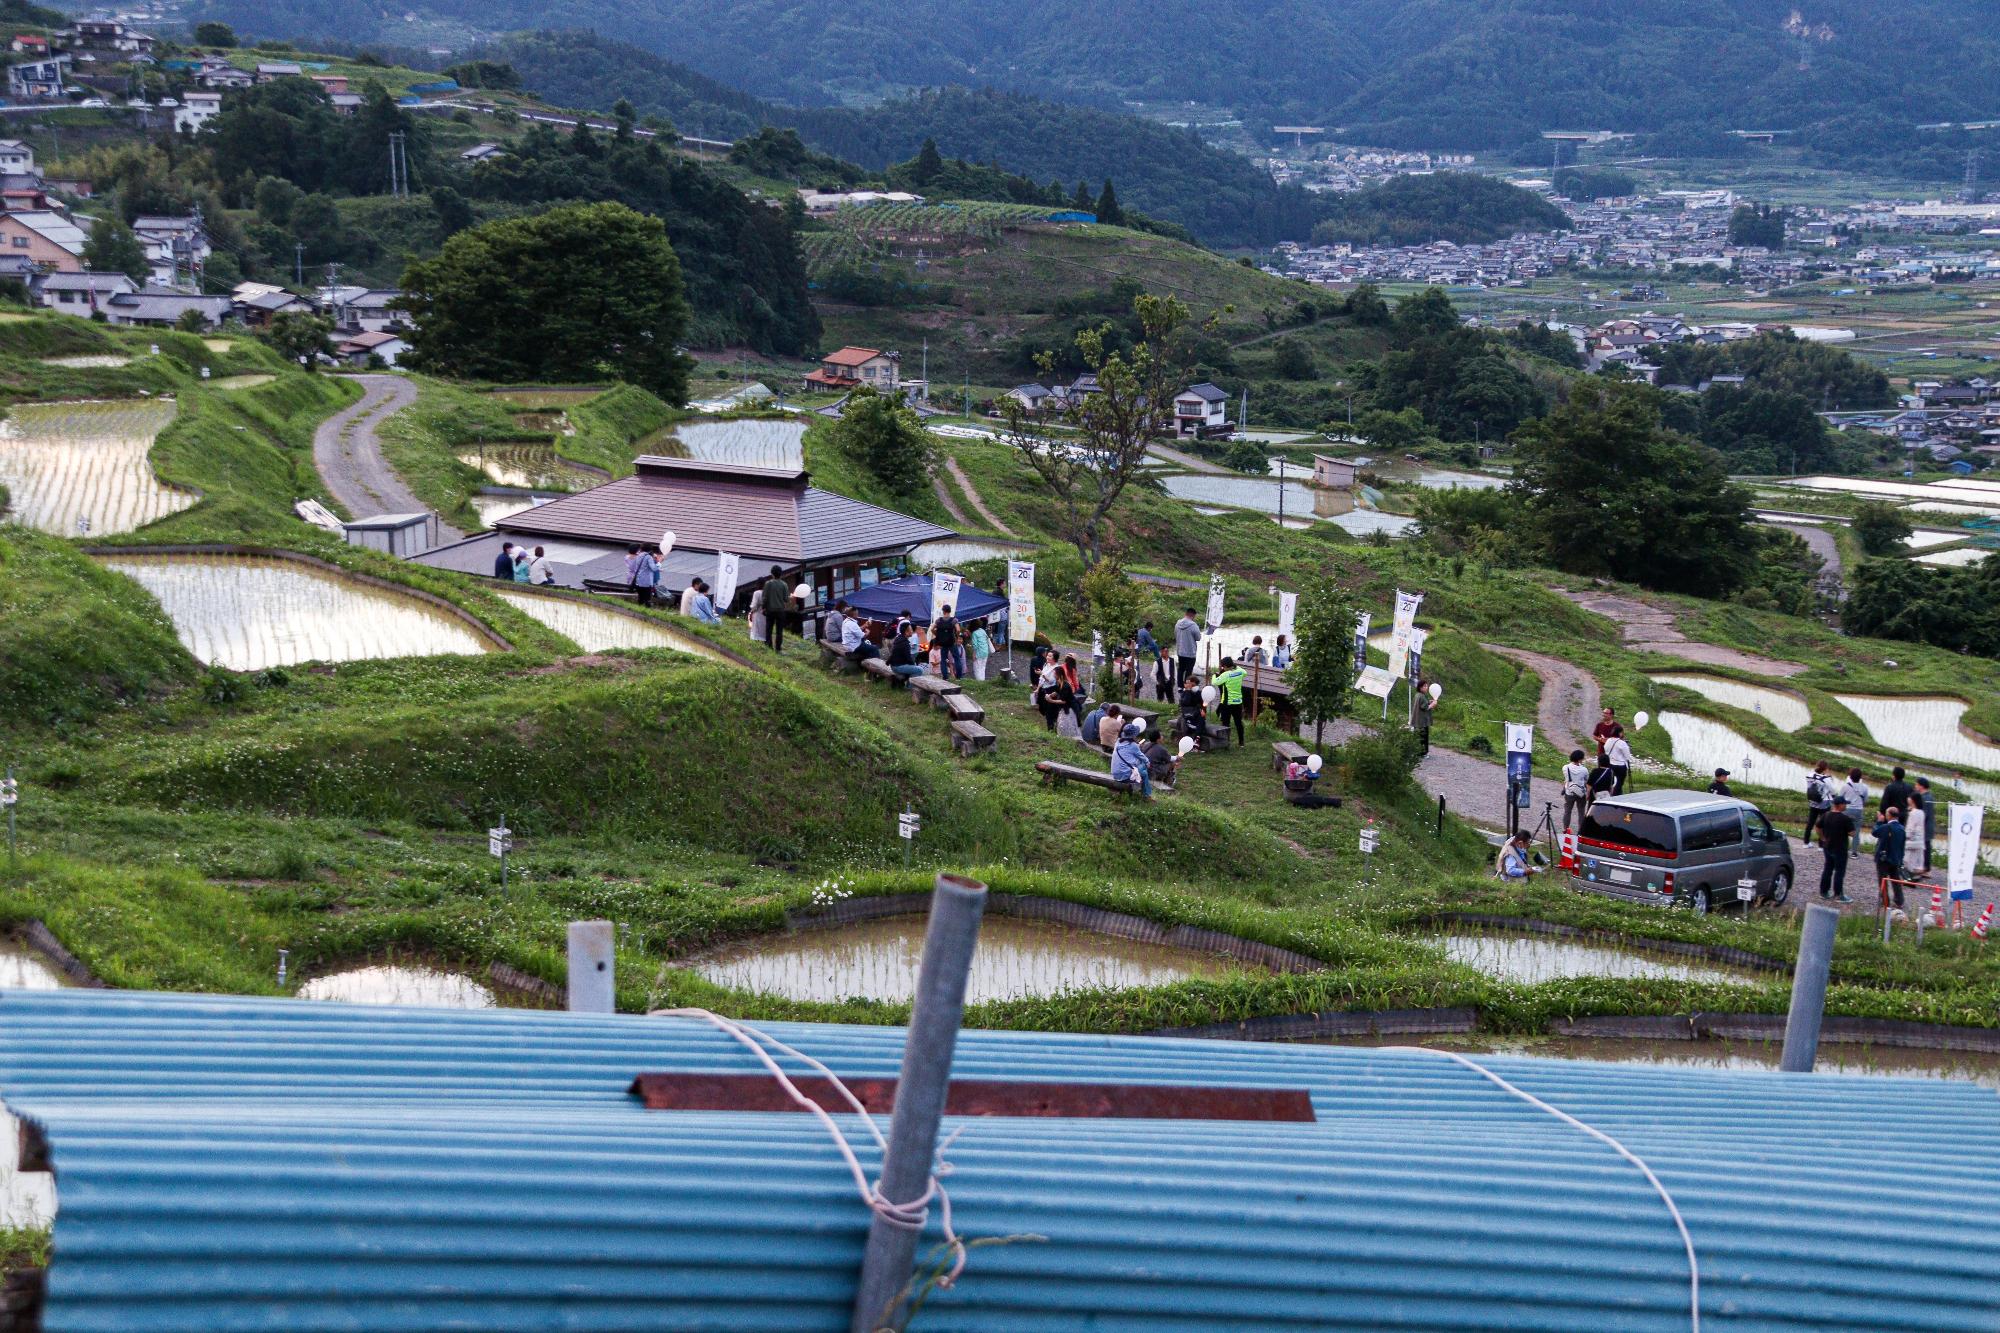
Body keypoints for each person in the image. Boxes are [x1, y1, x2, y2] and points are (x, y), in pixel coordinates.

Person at [1817, 795, 1854, 902]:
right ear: (1840, 805)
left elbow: (1818, 827)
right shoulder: (1845, 818)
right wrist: (1852, 824)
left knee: (1827, 869)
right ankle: (1838, 894)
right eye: (1845, 804)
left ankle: (1823, 892)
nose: (1846, 805)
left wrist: (1822, 837)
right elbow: (1852, 833)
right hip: (1840, 849)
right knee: (1839, 872)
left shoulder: (1826, 815)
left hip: (1827, 846)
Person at [1873, 805, 1908, 908]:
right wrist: (1900, 859)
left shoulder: (1886, 827)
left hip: (1883, 859)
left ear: (1888, 815)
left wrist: (1879, 821)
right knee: (1896, 881)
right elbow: (1902, 846)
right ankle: (1899, 900)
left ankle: (1885, 900)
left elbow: (1875, 832)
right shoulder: (1902, 829)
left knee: (1882, 880)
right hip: (1896, 858)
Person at [1111, 721, 1153, 798]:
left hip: (1115, 774)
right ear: (1134, 735)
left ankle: (1146, 793)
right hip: (1125, 775)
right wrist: (1148, 763)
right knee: (1144, 768)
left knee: (1143, 771)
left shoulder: (1117, 742)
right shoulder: (1133, 745)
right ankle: (1147, 795)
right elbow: (1143, 757)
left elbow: (1127, 751)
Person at [1214, 656, 1248, 746]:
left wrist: (1215, 675)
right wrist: (1236, 666)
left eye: (1222, 666)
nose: (1222, 668)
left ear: (1225, 666)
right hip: (1238, 702)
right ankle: (1241, 742)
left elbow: (1215, 682)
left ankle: (1226, 743)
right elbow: (1245, 672)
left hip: (1227, 703)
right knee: (1238, 723)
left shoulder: (1225, 674)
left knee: (1225, 723)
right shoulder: (1240, 672)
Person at [1035, 659, 1072, 732]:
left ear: (1059, 675)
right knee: (1049, 712)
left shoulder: (1065, 685)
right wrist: (1050, 695)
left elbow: (1064, 701)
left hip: (1067, 708)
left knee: (1052, 714)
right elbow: (1057, 691)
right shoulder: (1059, 683)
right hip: (1060, 706)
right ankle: (1051, 729)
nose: (1053, 675)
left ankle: (1052, 730)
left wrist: (1051, 700)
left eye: (1054, 674)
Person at [760, 566, 790, 653]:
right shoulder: (784, 585)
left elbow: (764, 598)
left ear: (772, 574)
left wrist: (763, 608)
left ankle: (769, 646)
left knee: (769, 628)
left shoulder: (768, 584)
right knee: (779, 631)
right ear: (781, 574)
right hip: (780, 611)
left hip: (770, 610)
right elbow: (786, 599)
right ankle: (778, 648)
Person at [1839, 768, 1869, 854]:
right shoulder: (1864, 787)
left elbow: (1840, 798)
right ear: (1860, 777)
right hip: (1858, 811)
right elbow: (1866, 800)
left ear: (1850, 776)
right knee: (1856, 832)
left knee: (1843, 830)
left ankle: (1842, 849)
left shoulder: (1845, 786)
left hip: (1846, 810)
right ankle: (1854, 853)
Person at [1561, 749, 1592, 831]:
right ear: (1579, 759)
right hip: (1581, 793)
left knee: (1567, 811)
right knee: (1581, 812)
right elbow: (1587, 780)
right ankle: (1580, 830)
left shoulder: (1565, 767)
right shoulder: (1584, 770)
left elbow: (1566, 778)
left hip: (1569, 792)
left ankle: (1565, 829)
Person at [1803, 761, 1833, 846]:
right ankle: (1821, 845)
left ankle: (1806, 842)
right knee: (1823, 824)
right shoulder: (1827, 779)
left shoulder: (1810, 775)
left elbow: (1810, 786)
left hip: (1813, 802)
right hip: (1823, 804)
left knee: (1810, 823)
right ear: (1826, 769)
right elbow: (1832, 790)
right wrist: (1829, 777)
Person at [929, 603, 960, 681]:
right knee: (956, 658)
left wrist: (937, 635)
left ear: (943, 611)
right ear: (950, 611)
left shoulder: (938, 620)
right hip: (951, 642)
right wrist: (956, 636)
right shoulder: (954, 620)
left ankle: (945, 677)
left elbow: (932, 629)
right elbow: (958, 629)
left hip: (942, 643)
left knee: (943, 659)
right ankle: (959, 677)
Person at [1903, 793, 1929, 882]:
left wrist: (1906, 836)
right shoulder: (1921, 812)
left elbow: (1910, 828)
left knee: (1908, 860)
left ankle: (1909, 879)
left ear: (1912, 800)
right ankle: (1914, 878)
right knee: (1916, 860)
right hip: (1919, 840)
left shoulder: (1913, 813)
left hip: (1911, 841)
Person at [1174, 608, 1200, 691]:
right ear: (1193, 615)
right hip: (1190, 652)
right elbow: (1198, 637)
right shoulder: (1193, 625)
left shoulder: (1178, 623)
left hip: (1180, 651)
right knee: (1189, 671)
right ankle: (1187, 687)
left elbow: (1175, 634)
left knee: (1181, 669)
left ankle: (1180, 687)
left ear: (1186, 613)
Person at [1603, 725, 1634, 795]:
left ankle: (1611, 793)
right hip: (1620, 766)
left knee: (1611, 781)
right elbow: (1627, 756)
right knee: (1619, 783)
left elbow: (1605, 749)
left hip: (1610, 764)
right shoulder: (1622, 743)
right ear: (1620, 733)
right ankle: (1617, 794)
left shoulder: (1608, 740)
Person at [1914, 776, 1935, 873]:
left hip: (1925, 827)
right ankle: (1925, 868)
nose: (1915, 786)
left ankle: (1925, 868)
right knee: (1925, 847)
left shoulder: (1925, 798)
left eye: (1917, 784)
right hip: (1927, 826)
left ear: (1921, 786)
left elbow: (1924, 814)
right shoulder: (1927, 796)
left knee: (1925, 848)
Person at [1059, 654, 1086, 726]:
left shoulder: (1072, 669)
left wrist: (1076, 689)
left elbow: (1075, 681)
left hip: (1071, 690)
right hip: (1065, 689)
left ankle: (1077, 719)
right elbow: (1067, 681)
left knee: (1078, 703)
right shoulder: (1062, 668)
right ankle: (1078, 721)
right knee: (1075, 704)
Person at [1414, 679, 1435, 756]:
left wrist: (1428, 702)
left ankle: (1418, 752)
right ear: (1420, 687)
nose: (1427, 687)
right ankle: (1423, 753)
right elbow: (1425, 707)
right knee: (1424, 737)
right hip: (1422, 721)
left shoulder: (1418, 695)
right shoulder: (1422, 696)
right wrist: (1432, 705)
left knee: (1419, 736)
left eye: (1427, 686)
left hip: (1418, 720)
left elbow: (1422, 704)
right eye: (1425, 686)